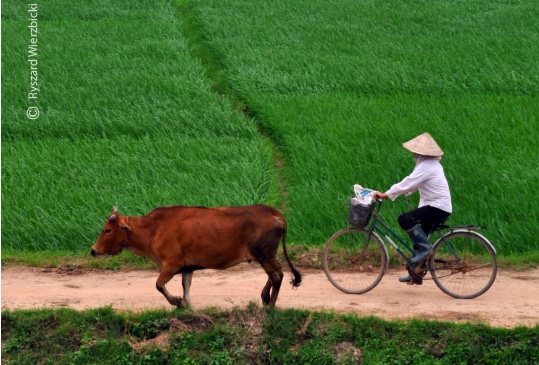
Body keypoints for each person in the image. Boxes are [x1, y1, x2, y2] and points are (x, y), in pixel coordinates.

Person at [373, 132, 452, 283]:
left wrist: (386, 194)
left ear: (421, 152)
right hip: (438, 206)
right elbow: (415, 184)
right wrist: (402, 192)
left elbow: (409, 181)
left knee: (405, 219)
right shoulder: (431, 165)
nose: (413, 153)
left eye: (415, 151)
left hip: (437, 207)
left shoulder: (427, 166)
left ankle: (426, 250)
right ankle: (415, 274)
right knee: (418, 238)